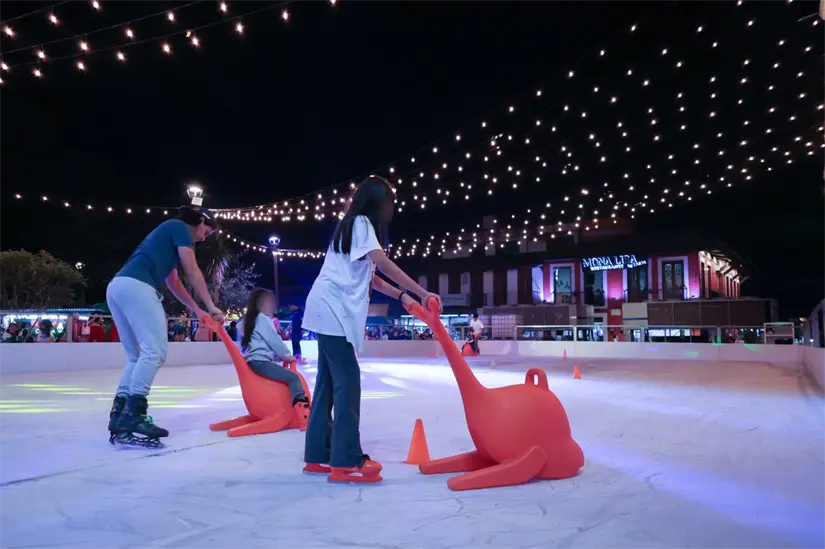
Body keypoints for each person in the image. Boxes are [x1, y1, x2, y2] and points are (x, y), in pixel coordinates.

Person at [302, 174, 442, 483]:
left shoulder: (352, 227)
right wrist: (422, 292)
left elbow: (372, 275)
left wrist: (402, 295)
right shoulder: (362, 225)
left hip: (326, 309)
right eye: (391, 201)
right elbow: (382, 263)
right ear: (378, 203)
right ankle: (345, 460)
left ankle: (318, 455)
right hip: (333, 311)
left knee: (328, 384)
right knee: (348, 383)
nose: (393, 209)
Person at [105, 205, 224, 447]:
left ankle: (119, 415)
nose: (203, 238)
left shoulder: (166, 237)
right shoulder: (179, 227)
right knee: (155, 351)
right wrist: (211, 305)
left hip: (118, 286)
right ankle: (134, 414)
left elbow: (174, 282)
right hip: (138, 287)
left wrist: (198, 310)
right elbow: (192, 271)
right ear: (200, 220)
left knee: (136, 356)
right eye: (206, 232)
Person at [239, 289, 309, 413]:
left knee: (285, 377)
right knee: (293, 378)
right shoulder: (262, 319)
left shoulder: (248, 320)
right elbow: (274, 341)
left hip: (254, 361)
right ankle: (303, 412)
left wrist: (276, 357)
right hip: (260, 362)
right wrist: (288, 356)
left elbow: (257, 343)